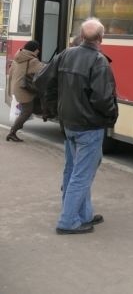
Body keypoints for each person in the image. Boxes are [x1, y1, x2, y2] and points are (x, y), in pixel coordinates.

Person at [35, 18, 119, 235]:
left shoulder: (65, 54)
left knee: (72, 170)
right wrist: (112, 115)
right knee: (82, 174)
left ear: (82, 36)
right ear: (101, 38)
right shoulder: (99, 61)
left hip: (69, 123)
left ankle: (84, 214)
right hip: (89, 126)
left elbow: (41, 81)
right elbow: (102, 99)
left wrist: (55, 108)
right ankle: (68, 221)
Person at [6, 40, 44, 142]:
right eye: (38, 49)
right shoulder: (33, 61)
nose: (38, 51)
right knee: (26, 112)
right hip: (24, 90)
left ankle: (13, 132)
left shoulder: (18, 57)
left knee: (28, 109)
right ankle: (12, 132)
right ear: (34, 50)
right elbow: (43, 71)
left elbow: (11, 72)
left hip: (17, 87)